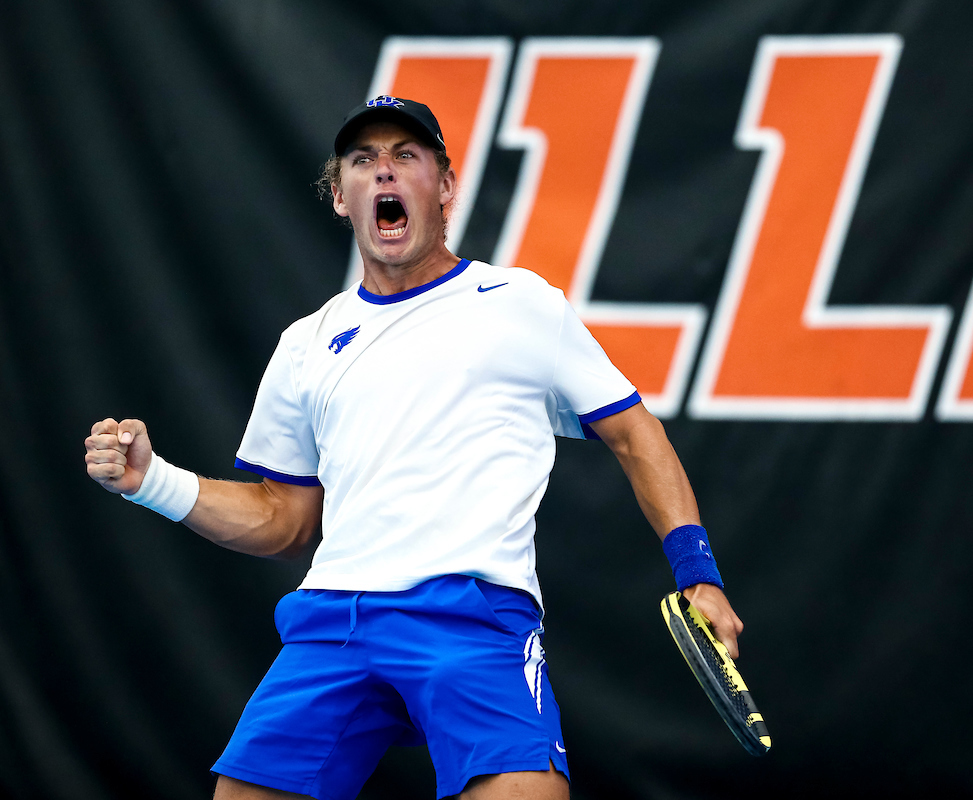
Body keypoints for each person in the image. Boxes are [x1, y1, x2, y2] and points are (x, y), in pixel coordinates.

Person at [83, 96, 744, 800]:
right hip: (334, 622)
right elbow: (286, 521)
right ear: (341, 197)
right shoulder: (306, 344)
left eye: (406, 156)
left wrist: (696, 570)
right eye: (363, 162)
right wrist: (153, 480)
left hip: (474, 617)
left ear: (446, 188)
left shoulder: (520, 304)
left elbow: (634, 432)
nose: (384, 173)